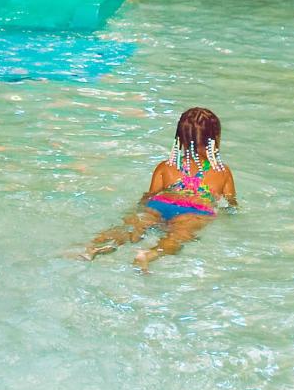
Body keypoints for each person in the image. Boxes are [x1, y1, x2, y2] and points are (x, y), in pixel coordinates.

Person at [82, 107, 236, 270]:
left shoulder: (165, 167)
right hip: (195, 209)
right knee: (177, 236)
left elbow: (149, 196)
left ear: (180, 139)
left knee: (132, 228)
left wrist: (140, 210)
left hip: (160, 203)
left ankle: (93, 248)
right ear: (215, 139)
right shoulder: (222, 171)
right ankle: (148, 255)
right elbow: (231, 204)